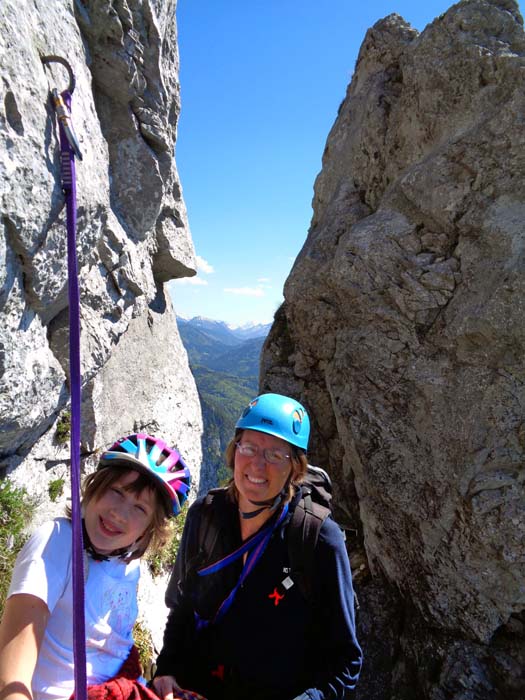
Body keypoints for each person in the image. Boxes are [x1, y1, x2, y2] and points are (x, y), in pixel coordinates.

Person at [153, 393, 362, 700]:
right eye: (249, 447)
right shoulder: (205, 515)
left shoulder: (316, 539)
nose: (257, 465)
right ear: (234, 451)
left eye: (275, 455)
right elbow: (183, 608)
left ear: (295, 468)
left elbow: (345, 662)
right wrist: (167, 669)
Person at [0, 433, 192, 700]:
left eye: (139, 508)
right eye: (116, 492)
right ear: (94, 487)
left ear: (148, 530)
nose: (119, 513)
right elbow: (12, 680)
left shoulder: (126, 562)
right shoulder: (57, 544)